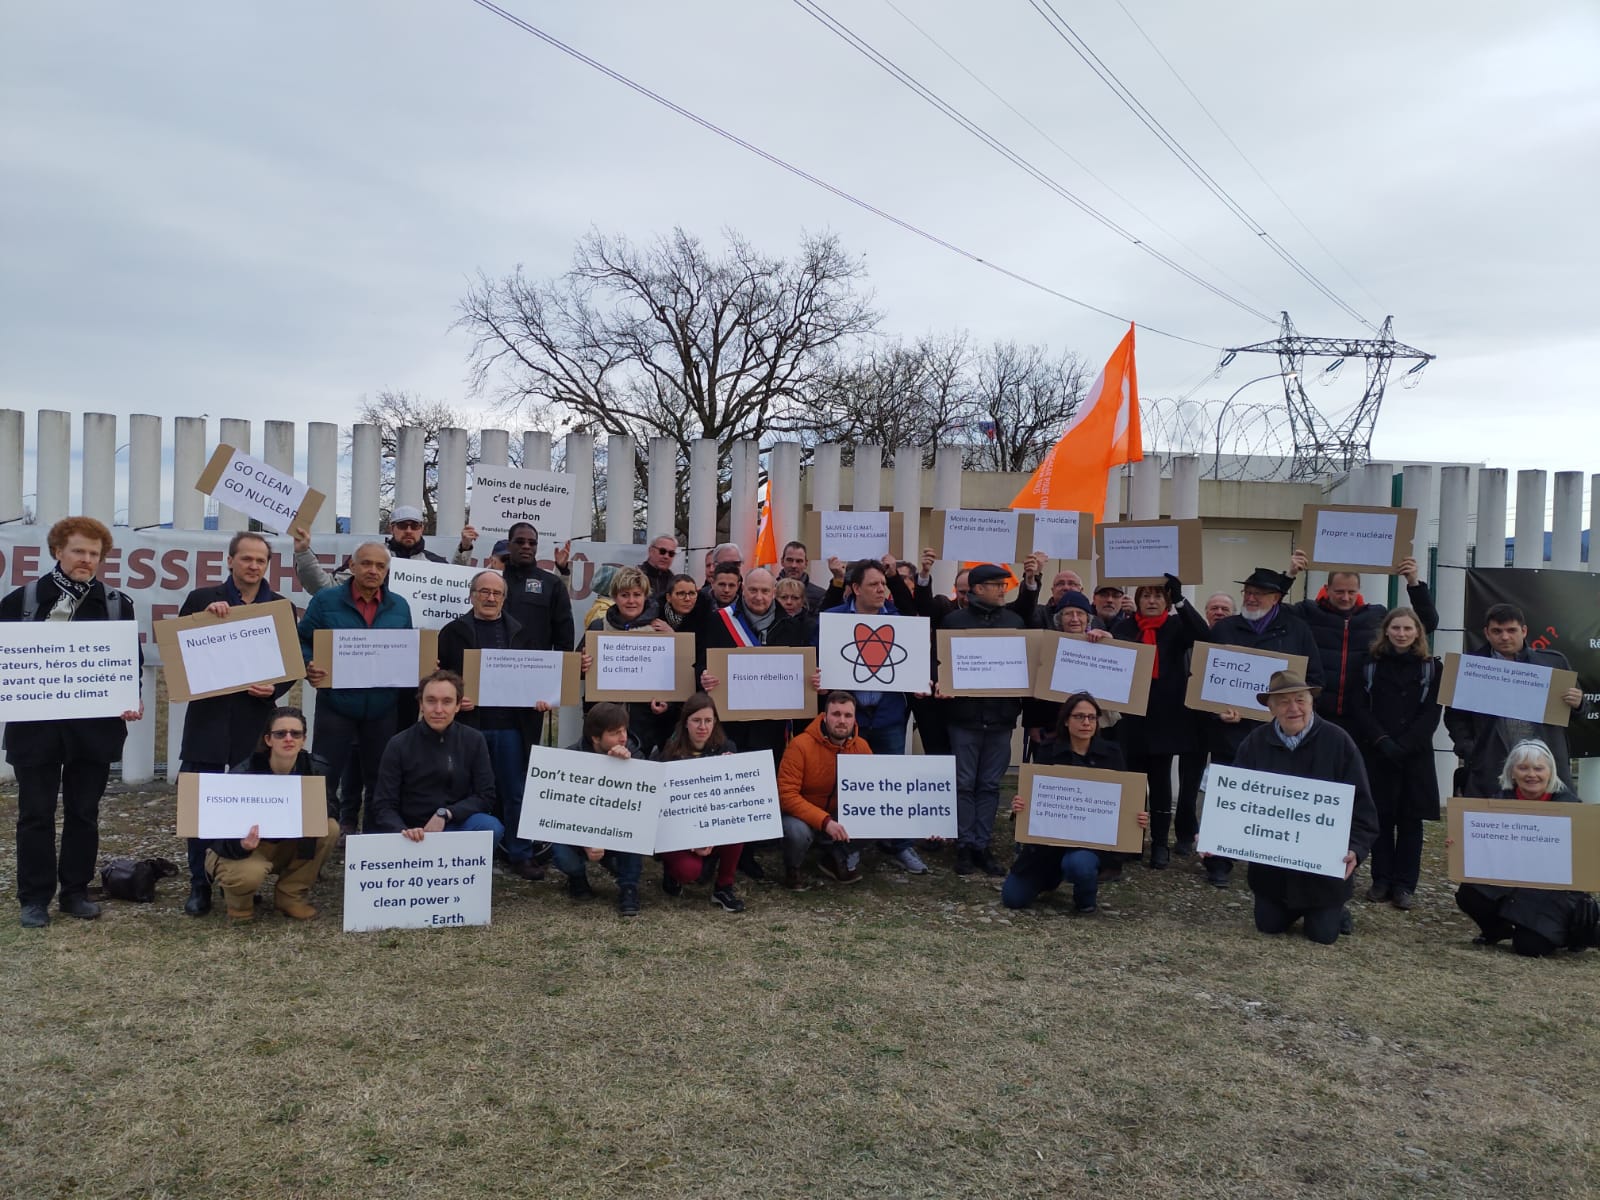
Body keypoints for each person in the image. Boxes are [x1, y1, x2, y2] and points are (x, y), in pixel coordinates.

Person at [4, 516, 143, 928]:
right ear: (57, 552)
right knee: (35, 814)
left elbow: (128, 666)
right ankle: (34, 898)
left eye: (94, 554)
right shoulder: (23, 600)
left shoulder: (118, 603)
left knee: (84, 811)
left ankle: (75, 891)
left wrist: (129, 697)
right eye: (78, 551)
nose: (86, 560)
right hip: (35, 729)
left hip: (93, 730)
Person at [174, 531, 294, 917]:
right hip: (207, 720)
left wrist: (275, 686)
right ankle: (199, 885)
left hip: (254, 720)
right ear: (229, 561)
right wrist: (203, 624)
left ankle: (240, 878)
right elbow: (178, 651)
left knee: (248, 802)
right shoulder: (202, 600)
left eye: (260, 560)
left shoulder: (279, 607)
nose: (253, 566)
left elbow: (290, 666)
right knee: (201, 805)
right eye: (246, 559)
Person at [1226, 672, 1378, 945]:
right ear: (1270, 708)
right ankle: (1289, 908)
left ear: (1312, 703)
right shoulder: (1255, 743)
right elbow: (1233, 802)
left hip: (1323, 877)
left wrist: (1355, 848)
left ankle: (1335, 911)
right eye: (1283, 702)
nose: (1293, 708)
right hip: (1272, 874)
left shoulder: (1338, 741)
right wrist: (1217, 836)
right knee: (1268, 926)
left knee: (1322, 936)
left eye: (1300, 700)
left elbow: (1363, 808)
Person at [1204, 567, 1324, 887]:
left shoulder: (1297, 631)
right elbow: (1206, 679)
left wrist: (1294, 714)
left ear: (1276, 598)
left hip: (1279, 734)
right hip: (1231, 731)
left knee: (1276, 796)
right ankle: (1219, 860)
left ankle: (1272, 860)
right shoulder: (1225, 629)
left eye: (1259, 593)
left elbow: (1315, 680)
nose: (1251, 597)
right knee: (1226, 795)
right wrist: (1218, 712)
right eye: (1247, 592)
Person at [438, 570, 549, 881]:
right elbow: (440, 680)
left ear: (504, 598)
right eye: (483, 591)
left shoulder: (523, 634)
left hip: (511, 728)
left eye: (496, 593)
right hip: (466, 728)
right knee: (461, 790)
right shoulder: (451, 633)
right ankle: (462, 852)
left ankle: (520, 854)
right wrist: (455, 700)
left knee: (515, 792)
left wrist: (542, 697)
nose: (489, 598)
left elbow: (537, 677)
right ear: (471, 595)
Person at [297, 540, 413, 833]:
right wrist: (308, 663)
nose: (373, 570)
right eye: (366, 563)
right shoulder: (325, 600)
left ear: (387, 571)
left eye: (380, 565)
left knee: (380, 778)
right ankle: (317, 841)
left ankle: (373, 844)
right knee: (325, 776)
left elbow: (406, 650)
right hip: (337, 703)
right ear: (351, 566)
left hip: (382, 706)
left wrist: (422, 666)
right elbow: (301, 639)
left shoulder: (400, 605)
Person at [1002, 693, 1147, 913]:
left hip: (1088, 844)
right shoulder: (1048, 751)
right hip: (1047, 845)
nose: (1086, 722)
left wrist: (1137, 818)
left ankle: (1085, 899)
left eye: (1091, 717)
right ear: (1066, 720)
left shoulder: (1111, 754)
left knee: (1079, 864)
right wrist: (1021, 806)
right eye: (1079, 716)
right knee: (1012, 898)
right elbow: (1034, 799)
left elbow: (1124, 802)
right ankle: (1049, 878)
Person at [1453, 740, 1600, 956]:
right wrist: (1459, 845)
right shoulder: (1499, 802)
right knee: (1469, 893)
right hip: (1510, 883)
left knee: (1529, 947)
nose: (1531, 774)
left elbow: (1583, 862)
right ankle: (1497, 930)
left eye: (1539, 768)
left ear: (1550, 772)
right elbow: (1484, 846)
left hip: (1551, 894)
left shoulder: (1570, 807)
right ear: (1512, 772)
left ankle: (1582, 934)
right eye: (1523, 768)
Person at [1107, 574, 1209, 869]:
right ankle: (1133, 840)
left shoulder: (1176, 627)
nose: (1152, 601)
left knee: (1161, 782)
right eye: (1146, 596)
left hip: (1166, 718)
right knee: (1134, 781)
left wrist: (1181, 600)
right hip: (1131, 718)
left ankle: (1161, 844)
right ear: (1137, 601)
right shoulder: (1125, 627)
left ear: (1166, 602)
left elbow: (1203, 635)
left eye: (1158, 597)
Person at [1283, 549, 1439, 733]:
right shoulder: (1308, 612)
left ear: (1359, 590)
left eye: (1351, 592)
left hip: (1362, 717)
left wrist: (1413, 583)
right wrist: (1289, 575)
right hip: (1315, 712)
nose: (1346, 597)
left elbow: (1426, 623)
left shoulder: (1376, 616)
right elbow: (1272, 612)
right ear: (1326, 588)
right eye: (1339, 591)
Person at [1348, 607, 1442, 911]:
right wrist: (1382, 740)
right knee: (1381, 819)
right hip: (1377, 752)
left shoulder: (1431, 669)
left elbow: (1432, 713)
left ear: (1418, 633)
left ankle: (1405, 886)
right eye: (1396, 628)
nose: (1401, 633)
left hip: (1415, 756)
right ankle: (1381, 880)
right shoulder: (1368, 664)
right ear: (1386, 631)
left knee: (1411, 823)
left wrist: (1406, 744)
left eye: (1408, 628)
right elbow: (1358, 707)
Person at [209, 707, 340, 922]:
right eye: (280, 734)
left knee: (330, 827)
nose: (288, 739)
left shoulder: (317, 769)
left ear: (303, 740)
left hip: (288, 842)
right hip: (246, 846)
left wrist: (306, 809)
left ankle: (290, 896)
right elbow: (217, 833)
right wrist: (240, 845)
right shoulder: (243, 774)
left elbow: (334, 807)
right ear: (268, 740)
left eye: (295, 734)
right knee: (248, 874)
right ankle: (239, 906)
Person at [938, 563, 1026, 877]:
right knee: (963, 784)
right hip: (964, 718)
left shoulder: (1015, 622)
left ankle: (982, 845)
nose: (1003, 589)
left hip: (1000, 719)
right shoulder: (953, 621)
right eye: (996, 585)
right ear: (978, 589)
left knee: (990, 785)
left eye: (1003, 585)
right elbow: (942, 665)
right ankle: (964, 844)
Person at [1444, 602, 1586, 797]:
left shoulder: (1553, 663)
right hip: (1490, 763)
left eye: (1511, 630)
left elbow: (1578, 714)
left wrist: (1578, 704)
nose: (1504, 637)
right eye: (1497, 631)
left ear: (1524, 631)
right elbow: (1454, 717)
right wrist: (1470, 749)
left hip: (1543, 764)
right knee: (1494, 822)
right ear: (1486, 633)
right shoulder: (1469, 668)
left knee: (1549, 823)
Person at [369, 671, 506, 849]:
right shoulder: (398, 744)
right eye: (431, 701)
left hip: (454, 825)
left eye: (447, 702)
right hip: (411, 832)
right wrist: (403, 830)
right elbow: (383, 804)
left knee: (490, 827)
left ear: (458, 705)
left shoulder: (474, 740)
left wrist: (447, 814)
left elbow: (485, 795)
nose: (438, 710)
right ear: (421, 704)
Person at [549, 703, 646, 917]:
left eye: (624, 730)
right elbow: (559, 810)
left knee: (636, 831)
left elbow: (642, 805)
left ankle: (629, 886)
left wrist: (626, 768)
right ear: (595, 737)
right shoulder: (570, 758)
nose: (623, 738)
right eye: (614, 733)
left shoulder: (634, 755)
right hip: (579, 833)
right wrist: (584, 841)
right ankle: (577, 878)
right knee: (560, 849)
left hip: (618, 831)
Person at [653, 695, 747, 913]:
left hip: (714, 826)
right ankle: (671, 870)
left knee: (739, 829)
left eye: (708, 720)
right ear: (686, 722)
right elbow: (664, 810)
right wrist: (692, 841)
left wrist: (732, 769)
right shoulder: (669, 754)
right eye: (697, 720)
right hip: (679, 831)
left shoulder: (727, 748)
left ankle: (724, 888)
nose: (703, 727)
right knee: (688, 872)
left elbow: (734, 803)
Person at [778, 692, 874, 888]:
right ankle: (792, 868)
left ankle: (836, 857)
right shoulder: (800, 745)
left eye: (848, 716)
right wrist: (824, 821)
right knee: (796, 832)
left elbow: (875, 793)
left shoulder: (862, 747)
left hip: (837, 813)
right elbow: (786, 795)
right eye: (836, 714)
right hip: (801, 816)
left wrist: (929, 826)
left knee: (877, 815)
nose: (842, 721)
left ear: (854, 719)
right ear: (824, 716)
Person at [585, 566, 671, 756]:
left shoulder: (660, 630)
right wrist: (582, 665)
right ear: (615, 597)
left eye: (637, 594)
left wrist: (667, 703)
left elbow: (675, 680)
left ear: (645, 597)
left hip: (645, 725)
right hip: (604, 724)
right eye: (625, 595)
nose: (631, 601)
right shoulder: (598, 627)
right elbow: (578, 672)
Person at [291, 505, 475, 593]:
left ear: (422, 529)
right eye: (402, 526)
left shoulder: (434, 563)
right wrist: (303, 552)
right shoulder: (368, 559)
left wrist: (465, 548)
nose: (409, 531)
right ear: (391, 528)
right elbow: (324, 588)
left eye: (414, 526)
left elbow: (455, 590)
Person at [501, 520, 577, 677]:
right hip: (494, 666)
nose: (526, 546)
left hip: (535, 670)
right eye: (520, 542)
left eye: (532, 543)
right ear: (509, 546)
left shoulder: (552, 584)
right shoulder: (492, 580)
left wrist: (562, 674)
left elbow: (564, 635)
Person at [779, 540, 827, 612]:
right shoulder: (770, 591)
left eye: (799, 561)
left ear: (806, 563)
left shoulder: (820, 595)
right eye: (790, 560)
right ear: (782, 561)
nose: (794, 565)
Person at [639, 533, 679, 602]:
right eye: (662, 551)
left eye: (671, 553)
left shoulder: (675, 582)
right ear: (650, 551)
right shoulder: (635, 577)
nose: (666, 556)